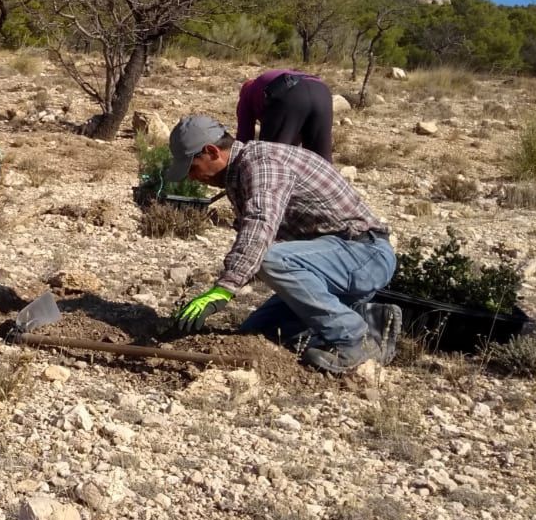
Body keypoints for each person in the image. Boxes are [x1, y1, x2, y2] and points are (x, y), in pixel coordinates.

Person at [164, 114, 401, 372]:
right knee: (258, 332)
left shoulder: (263, 165)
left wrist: (225, 287)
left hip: (364, 254)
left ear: (211, 152)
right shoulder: (240, 175)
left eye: (192, 168)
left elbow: (260, 226)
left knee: (269, 257)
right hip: (334, 265)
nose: (191, 178)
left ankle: (355, 339)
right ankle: (371, 320)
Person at [235, 68, 334, 161]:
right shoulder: (264, 83)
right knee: (321, 162)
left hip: (288, 91)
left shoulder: (246, 94)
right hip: (321, 91)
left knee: (271, 160)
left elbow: (243, 138)